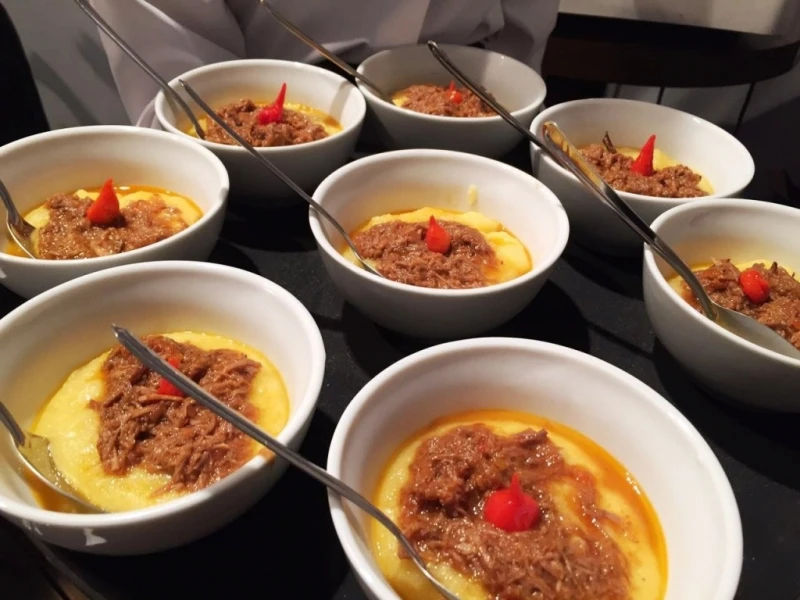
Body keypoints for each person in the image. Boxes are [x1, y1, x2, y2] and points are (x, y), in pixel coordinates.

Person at [88, 0, 559, 128]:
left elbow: (524, 24)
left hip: (478, 106)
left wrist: (515, 97)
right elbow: (187, 102)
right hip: (273, 143)